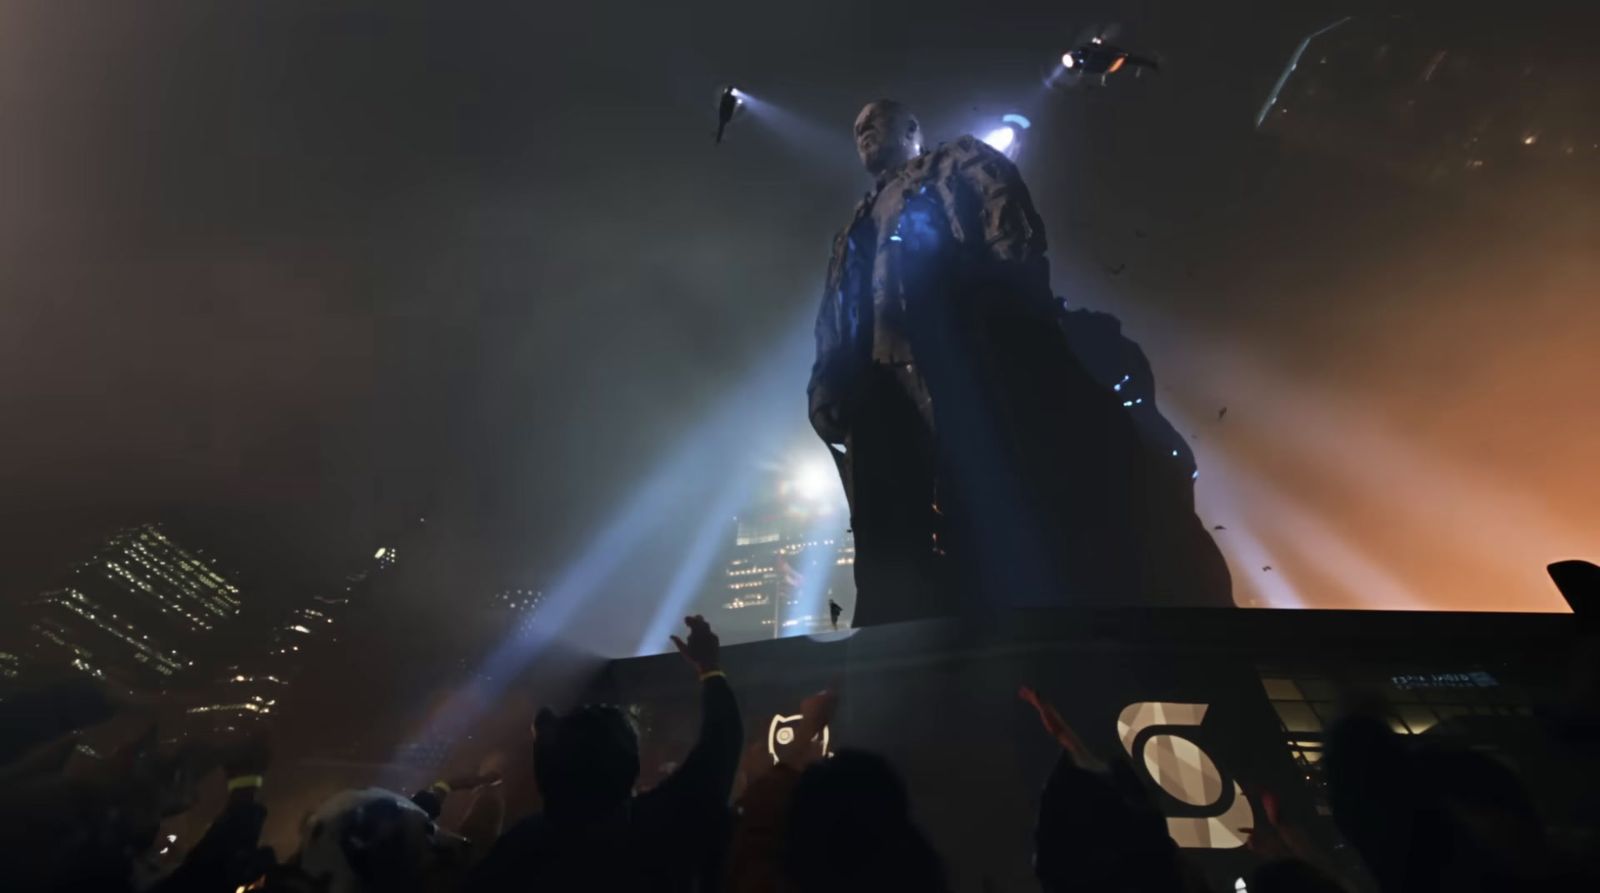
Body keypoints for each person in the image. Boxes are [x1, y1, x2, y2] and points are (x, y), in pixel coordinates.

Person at [807, 99, 1227, 624]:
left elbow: (1005, 214)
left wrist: (1006, 299)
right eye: (856, 127)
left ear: (912, 128)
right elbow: (833, 305)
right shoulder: (854, 225)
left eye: (877, 119)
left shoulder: (955, 159)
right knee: (888, 528)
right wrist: (826, 376)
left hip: (959, 345)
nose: (865, 129)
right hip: (877, 378)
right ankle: (894, 636)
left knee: (987, 484)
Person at [467, 615, 742, 892]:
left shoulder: (522, 846)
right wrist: (709, 668)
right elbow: (721, 742)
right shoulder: (656, 826)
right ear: (628, 764)